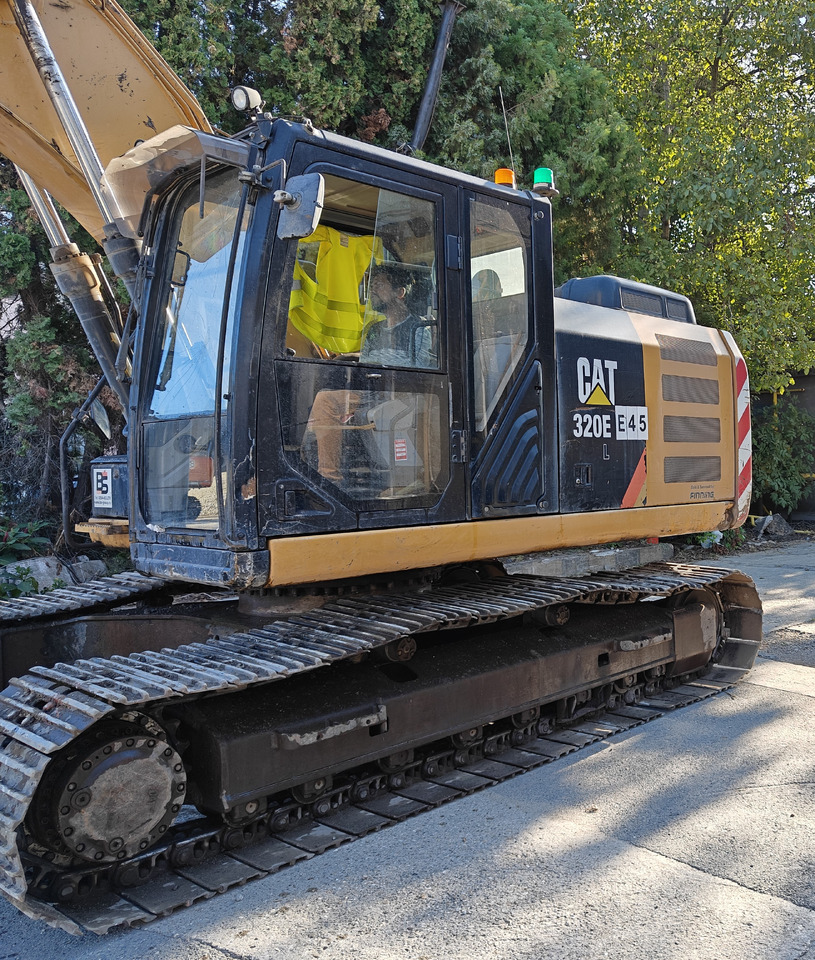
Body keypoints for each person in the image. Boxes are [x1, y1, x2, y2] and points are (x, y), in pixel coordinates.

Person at [306, 264, 434, 483]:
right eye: (371, 285)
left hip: (401, 392)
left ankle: (333, 477)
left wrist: (377, 360)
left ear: (400, 293)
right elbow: (367, 363)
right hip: (371, 390)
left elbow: (419, 366)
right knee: (324, 400)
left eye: (379, 285)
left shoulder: (419, 327)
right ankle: (328, 479)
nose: (372, 290)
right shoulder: (374, 330)